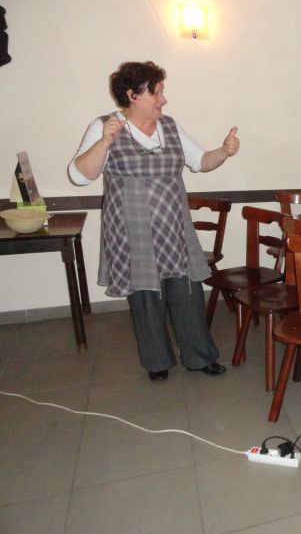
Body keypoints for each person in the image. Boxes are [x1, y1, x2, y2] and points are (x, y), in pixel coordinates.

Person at [68, 61, 237, 381]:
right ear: (133, 95)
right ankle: (157, 361)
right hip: (131, 228)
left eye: (161, 92)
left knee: (187, 291)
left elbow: (201, 161)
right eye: (156, 93)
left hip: (174, 225)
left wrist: (224, 151)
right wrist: (104, 142)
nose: (163, 99)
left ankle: (200, 356)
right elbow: (80, 175)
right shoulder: (104, 126)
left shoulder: (169, 126)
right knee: (145, 296)